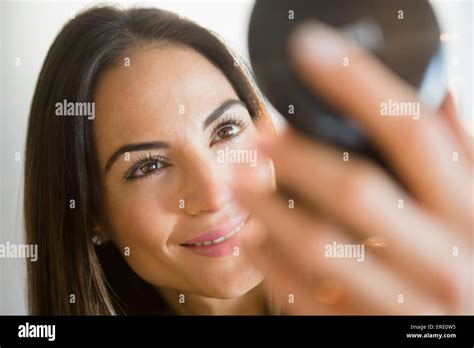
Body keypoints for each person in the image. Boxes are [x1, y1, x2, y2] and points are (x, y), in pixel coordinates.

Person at [24, 6, 472, 315]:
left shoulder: (408, 290)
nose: (214, 193)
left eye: (225, 131)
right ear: (93, 216)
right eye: (148, 166)